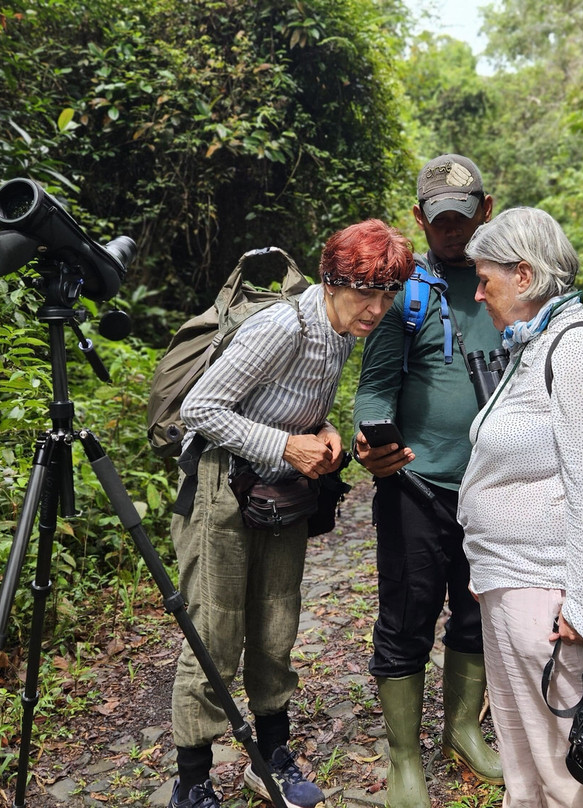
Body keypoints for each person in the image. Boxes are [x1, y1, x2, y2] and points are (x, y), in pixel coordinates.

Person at [167, 220, 414, 808]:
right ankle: (192, 781)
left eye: (388, 295)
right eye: (365, 293)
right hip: (221, 483)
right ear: (330, 281)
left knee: (277, 624)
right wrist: (285, 445)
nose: (377, 309)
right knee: (215, 632)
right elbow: (201, 408)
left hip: (279, 491)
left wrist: (322, 430)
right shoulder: (282, 326)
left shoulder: (343, 331)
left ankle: (272, 758)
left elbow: (290, 402)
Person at [456, 206, 583, 807]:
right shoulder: (535, 344)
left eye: (485, 279)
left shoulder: (580, 351)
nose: (478, 293)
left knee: (578, 770)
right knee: (528, 759)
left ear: (523, 275)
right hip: (519, 580)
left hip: (555, 593)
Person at [352, 154, 502, 808]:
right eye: (439, 219)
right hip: (415, 488)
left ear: (485, 210)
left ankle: (463, 729)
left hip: (494, 491)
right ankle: (404, 758)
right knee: (406, 618)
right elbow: (374, 387)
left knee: (478, 612)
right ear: (419, 218)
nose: (451, 230)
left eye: (462, 217)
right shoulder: (404, 291)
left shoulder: (510, 282)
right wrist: (368, 439)